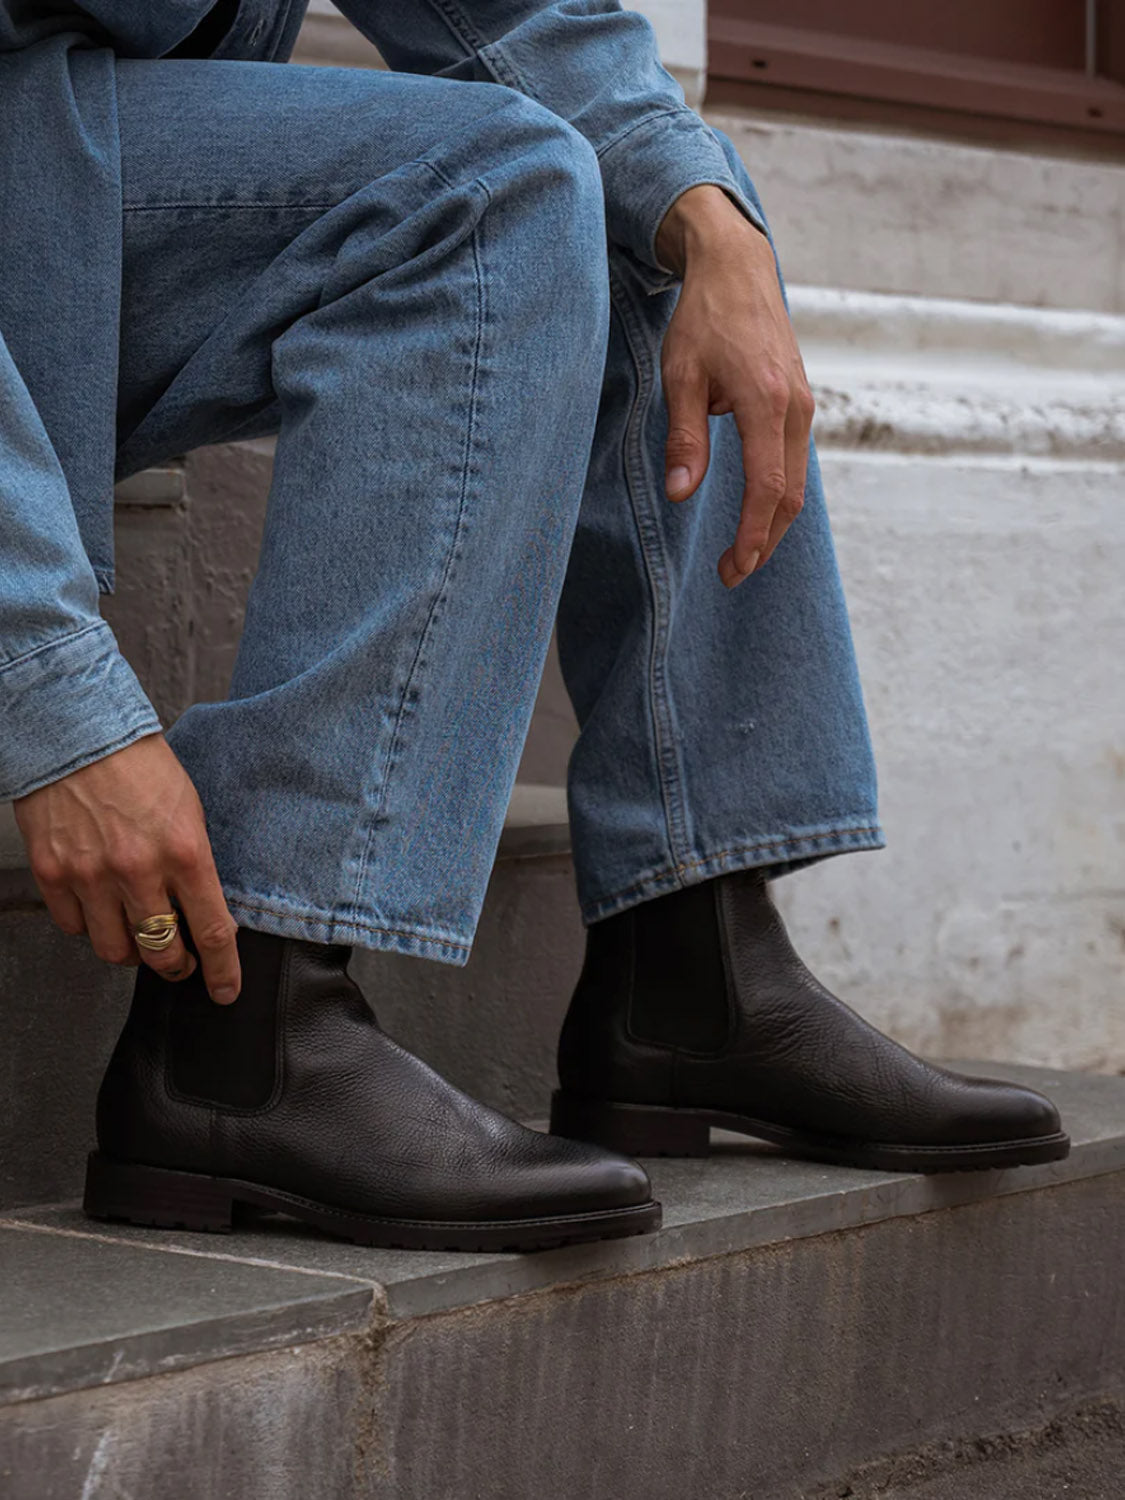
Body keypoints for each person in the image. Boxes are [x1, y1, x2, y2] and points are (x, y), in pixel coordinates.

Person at [1, 0, 1069, 1254]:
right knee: (489, 188)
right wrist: (51, 693)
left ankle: (694, 966)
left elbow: (507, 13)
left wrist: (711, 217)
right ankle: (246, 1036)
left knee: (637, 206)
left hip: (65, 192)